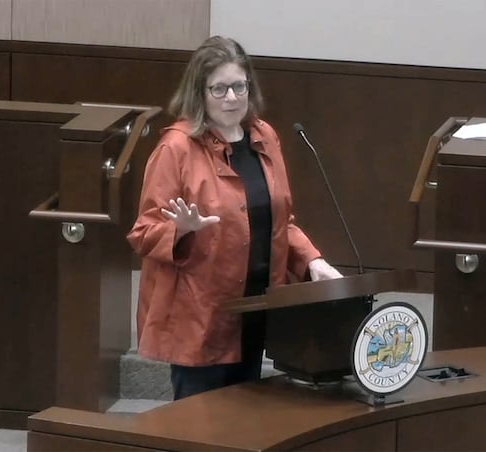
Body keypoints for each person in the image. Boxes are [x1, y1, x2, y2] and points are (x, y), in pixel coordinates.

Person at [127, 36, 342, 400]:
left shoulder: (264, 137)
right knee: (199, 429)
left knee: (243, 423)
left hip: (257, 310)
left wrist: (313, 260)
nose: (231, 98)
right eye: (219, 89)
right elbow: (144, 232)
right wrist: (180, 230)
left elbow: (280, 222)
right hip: (201, 317)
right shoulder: (176, 149)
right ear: (200, 93)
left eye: (239, 86)